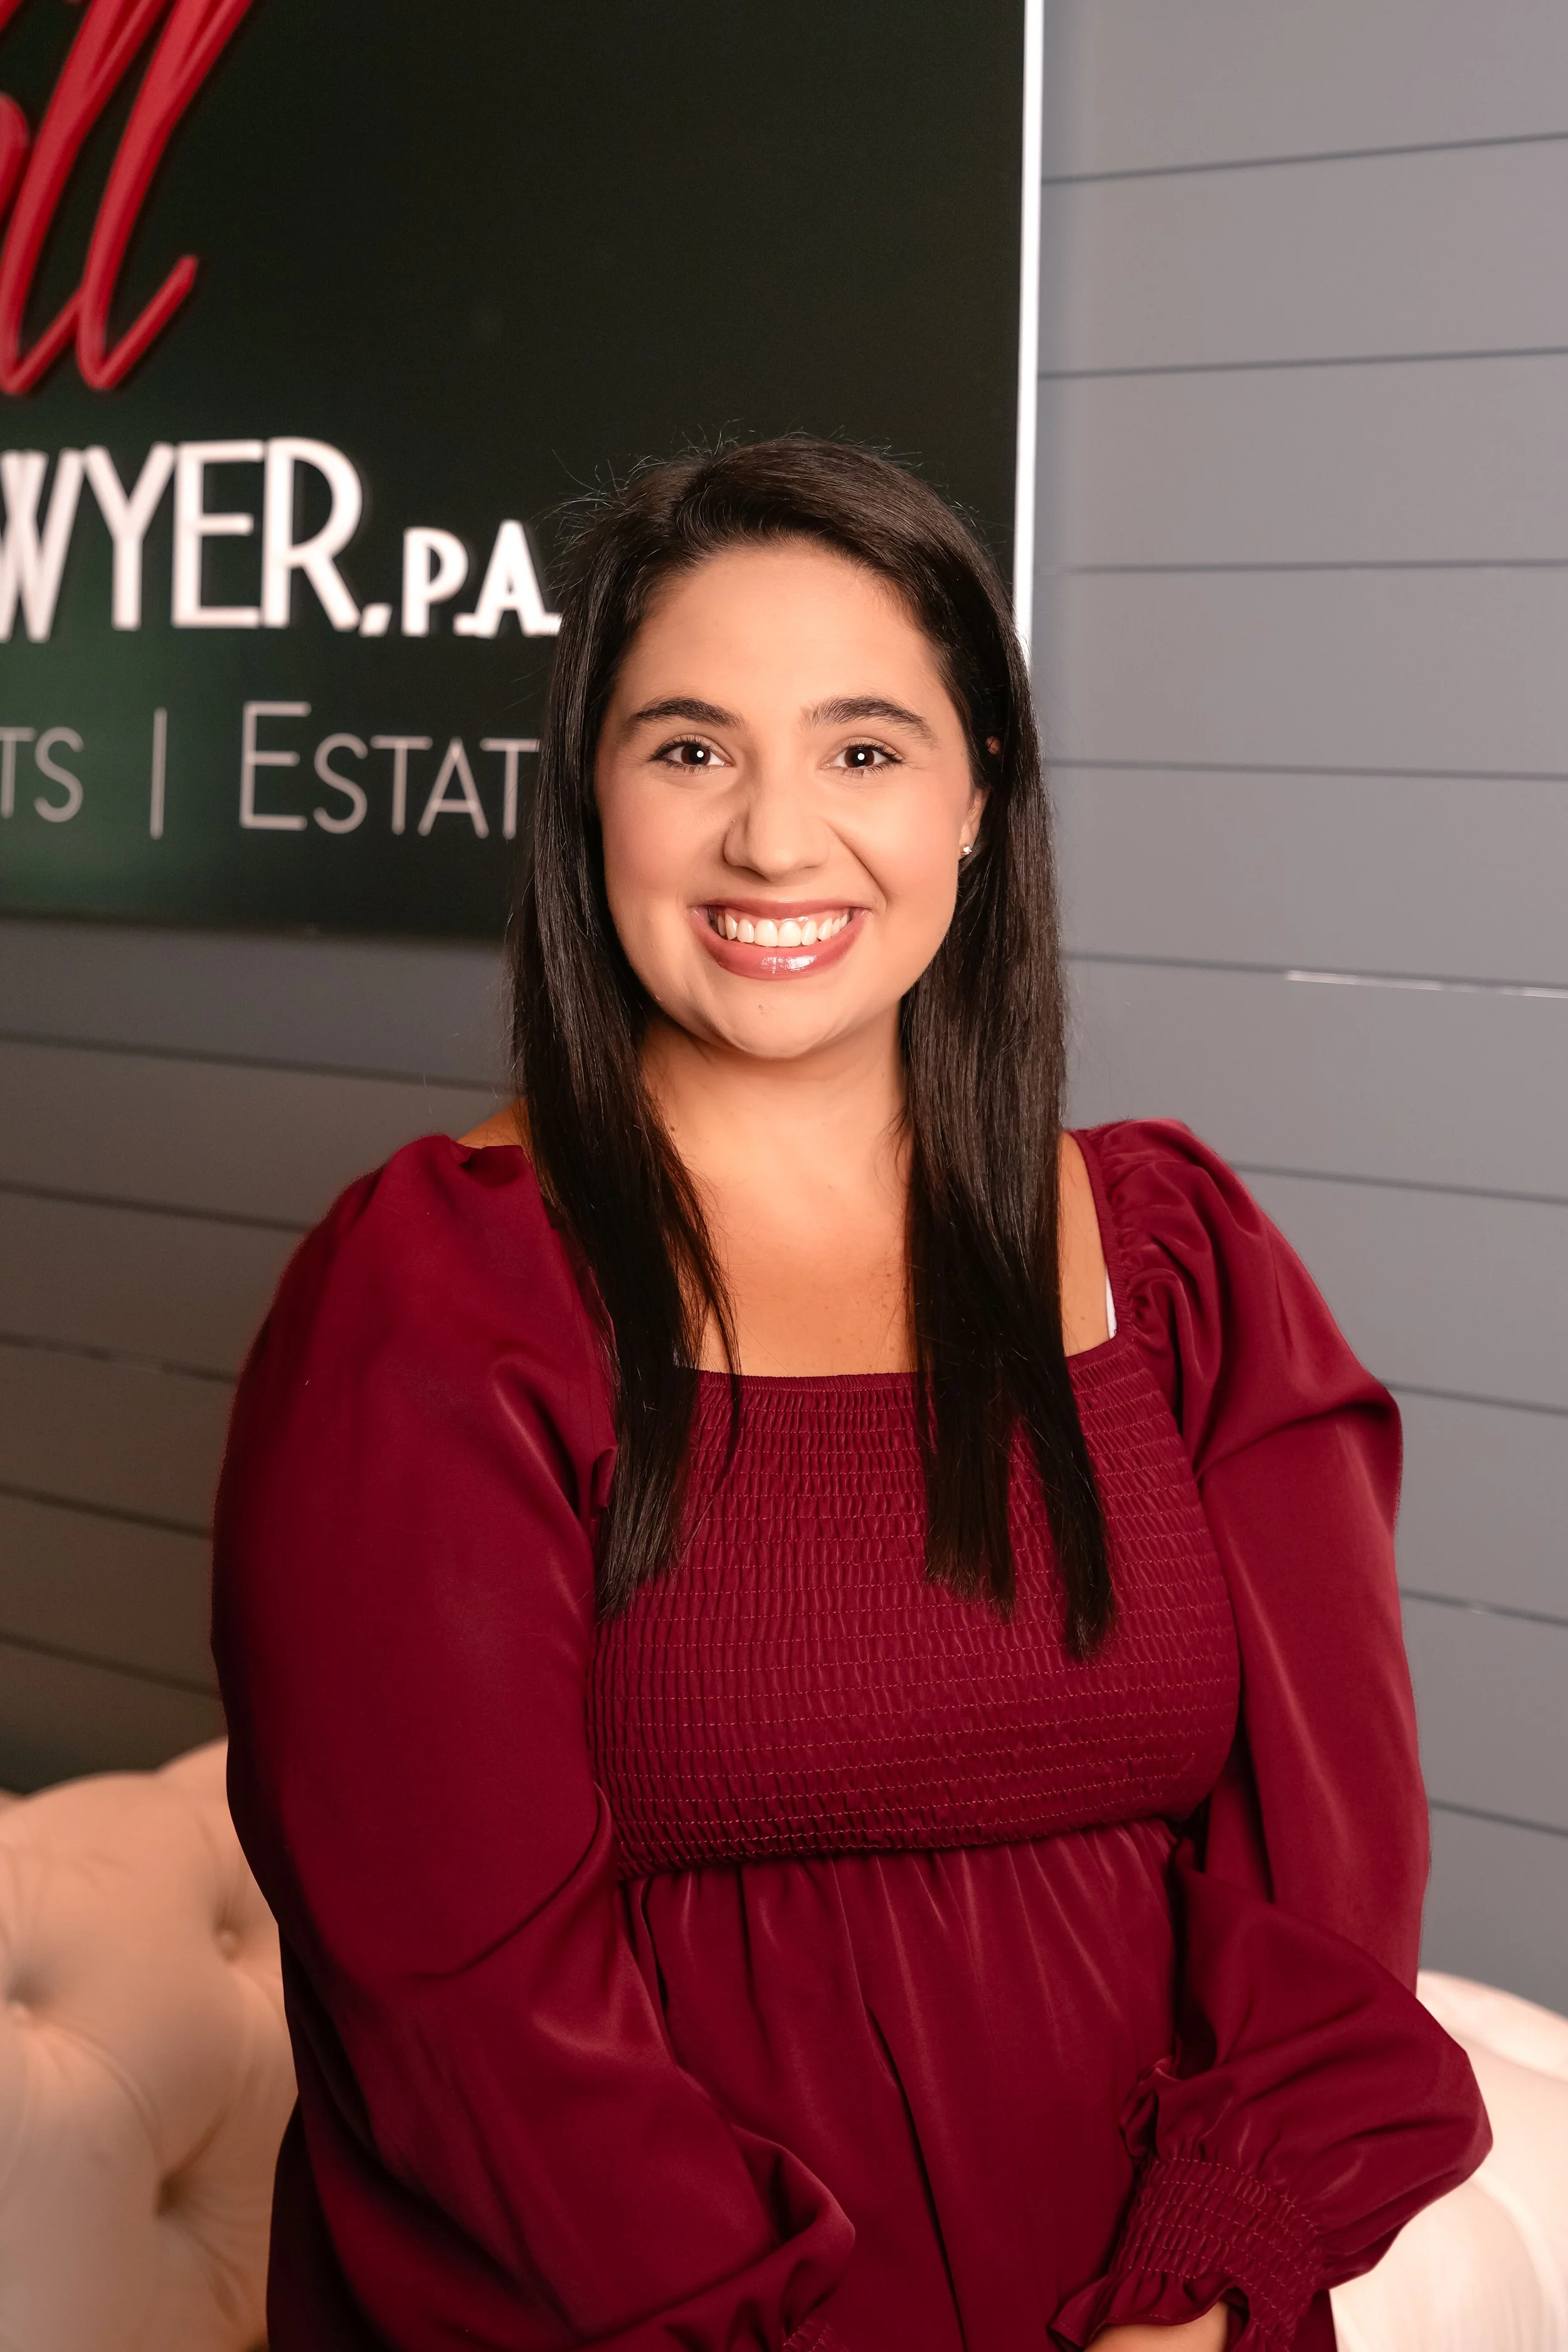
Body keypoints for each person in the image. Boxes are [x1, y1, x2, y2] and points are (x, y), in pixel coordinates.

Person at [213, 438, 1489, 2352]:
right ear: (588, 798)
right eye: (690, 747)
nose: (775, 839)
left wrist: (1201, 2287)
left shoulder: (1178, 1260)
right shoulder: (436, 1294)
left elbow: (1329, 1860)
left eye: (865, 747)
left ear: (981, 793)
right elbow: (456, 1996)